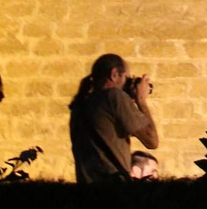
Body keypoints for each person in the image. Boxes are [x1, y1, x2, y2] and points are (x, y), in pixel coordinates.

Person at [68, 53, 159, 182]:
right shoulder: (113, 96)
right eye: (126, 78)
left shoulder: (81, 105)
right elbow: (152, 140)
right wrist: (141, 100)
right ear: (114, 74)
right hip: (113, 188)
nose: (128, 83)